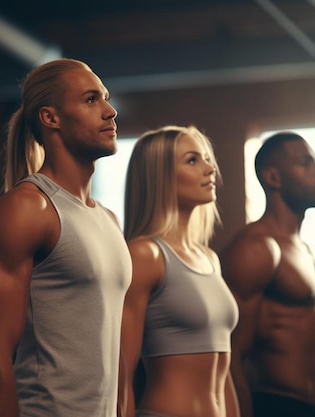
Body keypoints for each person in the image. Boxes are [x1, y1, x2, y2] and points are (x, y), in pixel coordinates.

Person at [0, 58, 132, 417]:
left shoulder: (107, 218)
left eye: (106, 98)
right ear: (51, 118)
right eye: (91, 100)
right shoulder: (27, 208)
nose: (110, 111)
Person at [118, 125, 240, 417]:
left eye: (206, 158)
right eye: (192, 160)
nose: (210, 168)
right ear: (159, 176)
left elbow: (224, 374)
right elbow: (121, 373)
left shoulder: (209, 257)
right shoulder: (144, 255)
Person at [220, 132, 315, 417]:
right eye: (306, 163)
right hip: (277, 406)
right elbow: (230, 353)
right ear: (273, 177)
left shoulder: (307, 251)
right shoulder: (256, 247)